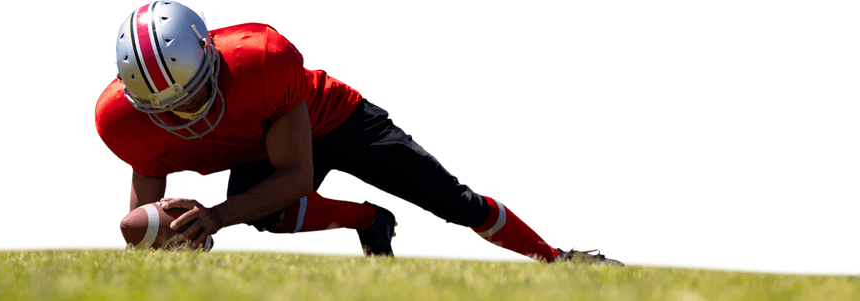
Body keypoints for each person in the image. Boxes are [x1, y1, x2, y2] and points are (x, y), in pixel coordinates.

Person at [94, 1, 619, 264]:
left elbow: (295, 173)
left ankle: (558, 260)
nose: (188, 116)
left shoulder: (262, 60)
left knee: (456, 203)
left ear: (211, 55)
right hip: (259, 136)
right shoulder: (120, 121)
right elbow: (143, 219)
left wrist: (215, 216)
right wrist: (162, 237)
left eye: (194, 94)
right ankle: (371, 219)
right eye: (169, 108)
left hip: (330, 117)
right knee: (270, 217)